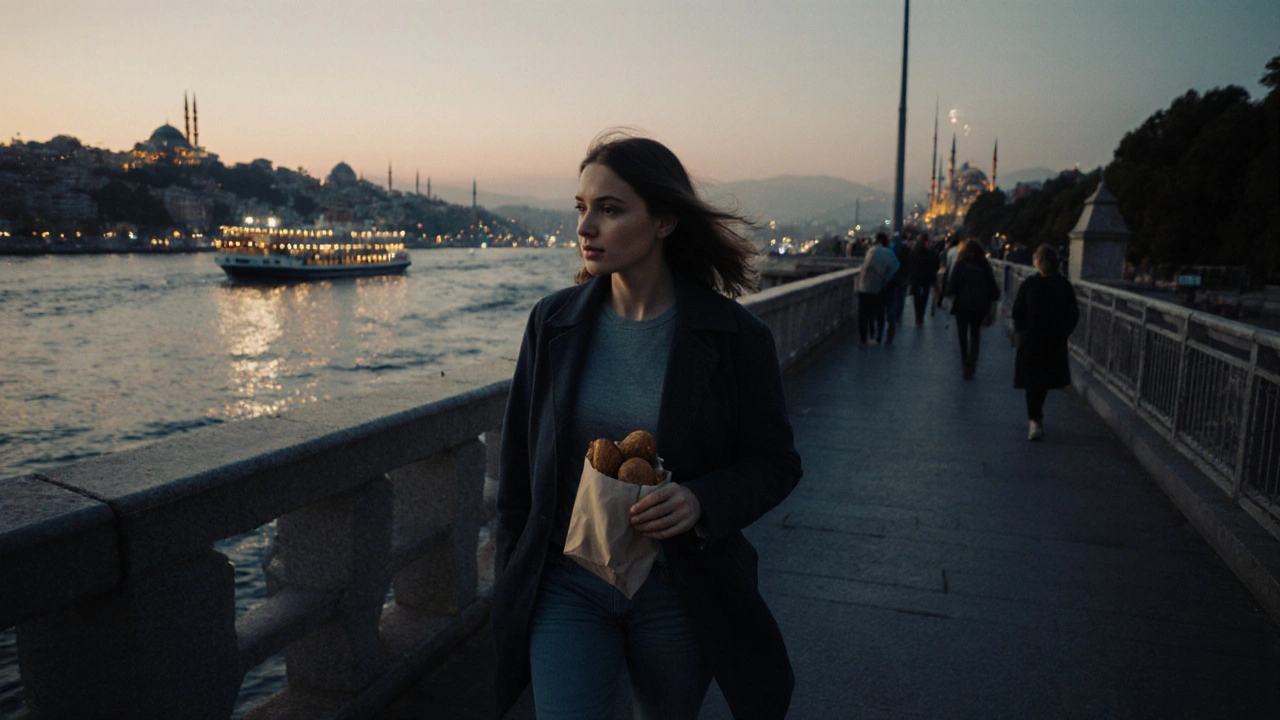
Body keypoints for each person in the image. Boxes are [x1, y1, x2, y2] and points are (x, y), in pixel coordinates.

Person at [491, 132, 803, 720]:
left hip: (676, 590)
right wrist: (514, 573)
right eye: (581, 208)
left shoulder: (735, 337)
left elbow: (776, 462)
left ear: (663, 221)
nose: (586, 227)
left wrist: (700, 502)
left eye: (609, 210)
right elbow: (517, 466)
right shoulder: (552, 323)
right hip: (565, 583)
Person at [1012, 244, 1079, 440]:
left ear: (1039, 262)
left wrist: (1021, 331)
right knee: (1042, 380)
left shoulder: (1030, 285)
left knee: (1032, 381)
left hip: (1032, 340)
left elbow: (1017, 312)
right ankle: (1036, 416)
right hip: (1053, 342)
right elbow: (1073, 314)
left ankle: (1034, 419)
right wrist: (1064, 332)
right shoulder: (1064, 286)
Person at [945, 239, 1000, 379]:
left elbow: (951, 285)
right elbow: (994, 289)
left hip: (962, 305)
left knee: (962, 334)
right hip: (980, 306)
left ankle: (964, 361)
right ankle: (972, 362)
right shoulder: (984, 265)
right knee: (975, 334)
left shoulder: (960, 264)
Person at [857, 232, 900, 345]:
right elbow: (896, 266)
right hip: (878, 287)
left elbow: (865, 267)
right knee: (879, 313)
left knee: (864, 314)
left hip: (864, 286)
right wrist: (885, 277)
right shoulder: (888, 253)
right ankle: (878, 337)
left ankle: (864, 339)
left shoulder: (871, 251)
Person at [906, 233, 940, 326]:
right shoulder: (932, 252)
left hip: (916, 279)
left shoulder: (913, 252)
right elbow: (936, 265)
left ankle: (918, 317)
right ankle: (921, 316)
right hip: (927, 279)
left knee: (917, 298)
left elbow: (910, 265)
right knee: (925, 297)